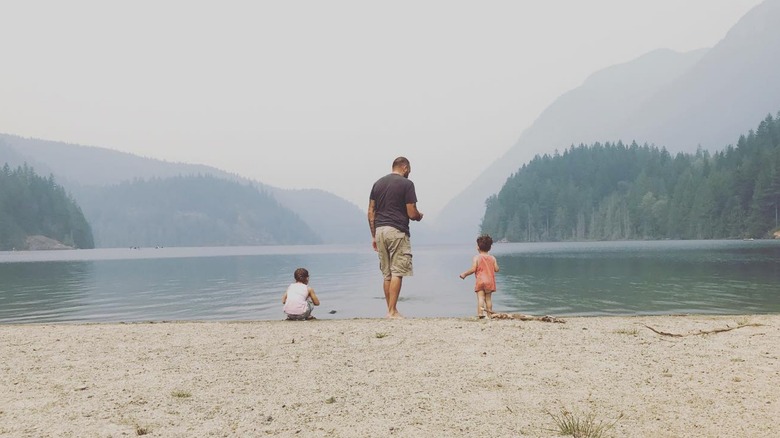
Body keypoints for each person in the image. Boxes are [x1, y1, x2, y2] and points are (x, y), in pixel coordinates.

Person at [368, 156, 424, 318]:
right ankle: (392, 311)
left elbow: (371, 211)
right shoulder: (407, 184)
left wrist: (374, 236)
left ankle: (389, 310)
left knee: (387, 274)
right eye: (409, 171)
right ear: (405, 167)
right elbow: (411, 212)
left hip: (380, 231)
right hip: (397, 231)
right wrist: (419, 216)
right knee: (397, 271)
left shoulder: (377, 184)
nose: (409, 174)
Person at [459, 234, 500, 319]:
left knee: (481, 298)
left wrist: (465, 274)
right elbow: (497, 269)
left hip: (481, 281)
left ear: (478, 247)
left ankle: (480, 313)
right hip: (490, 281)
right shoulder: (492, 258)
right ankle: (489, 314)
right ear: (490, 247)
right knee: (488, 299)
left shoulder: (477, 257)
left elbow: (473, 269)